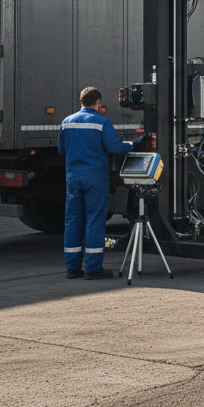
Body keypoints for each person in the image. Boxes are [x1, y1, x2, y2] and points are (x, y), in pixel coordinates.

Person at [57, 87, 134, 279]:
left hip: (73, 179)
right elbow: (114, 147)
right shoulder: (102, 122)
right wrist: (132, 145)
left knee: (73, 221)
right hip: (95, 179)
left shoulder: (67, 122)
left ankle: (72, 268)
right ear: (98, 103)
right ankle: (93, 269)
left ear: (81, 101)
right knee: (94, 221)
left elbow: (61, 149)